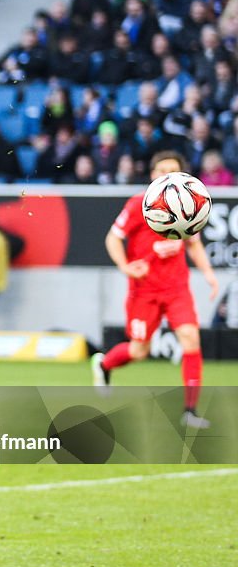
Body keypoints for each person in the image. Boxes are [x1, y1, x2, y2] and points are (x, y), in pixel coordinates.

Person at [92, 151, 219, 428]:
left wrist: (209, 275)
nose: (166, 176)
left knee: (190, 339)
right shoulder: (139, 204)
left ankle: (190, 411)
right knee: (139, 350)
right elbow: (113, 238)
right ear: (152, 175)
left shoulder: (187, 204)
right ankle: (104, 365)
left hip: (176, 289)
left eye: (172, 171)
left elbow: (193, 244)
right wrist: (125, 266)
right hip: (144, 291)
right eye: (161, 171)